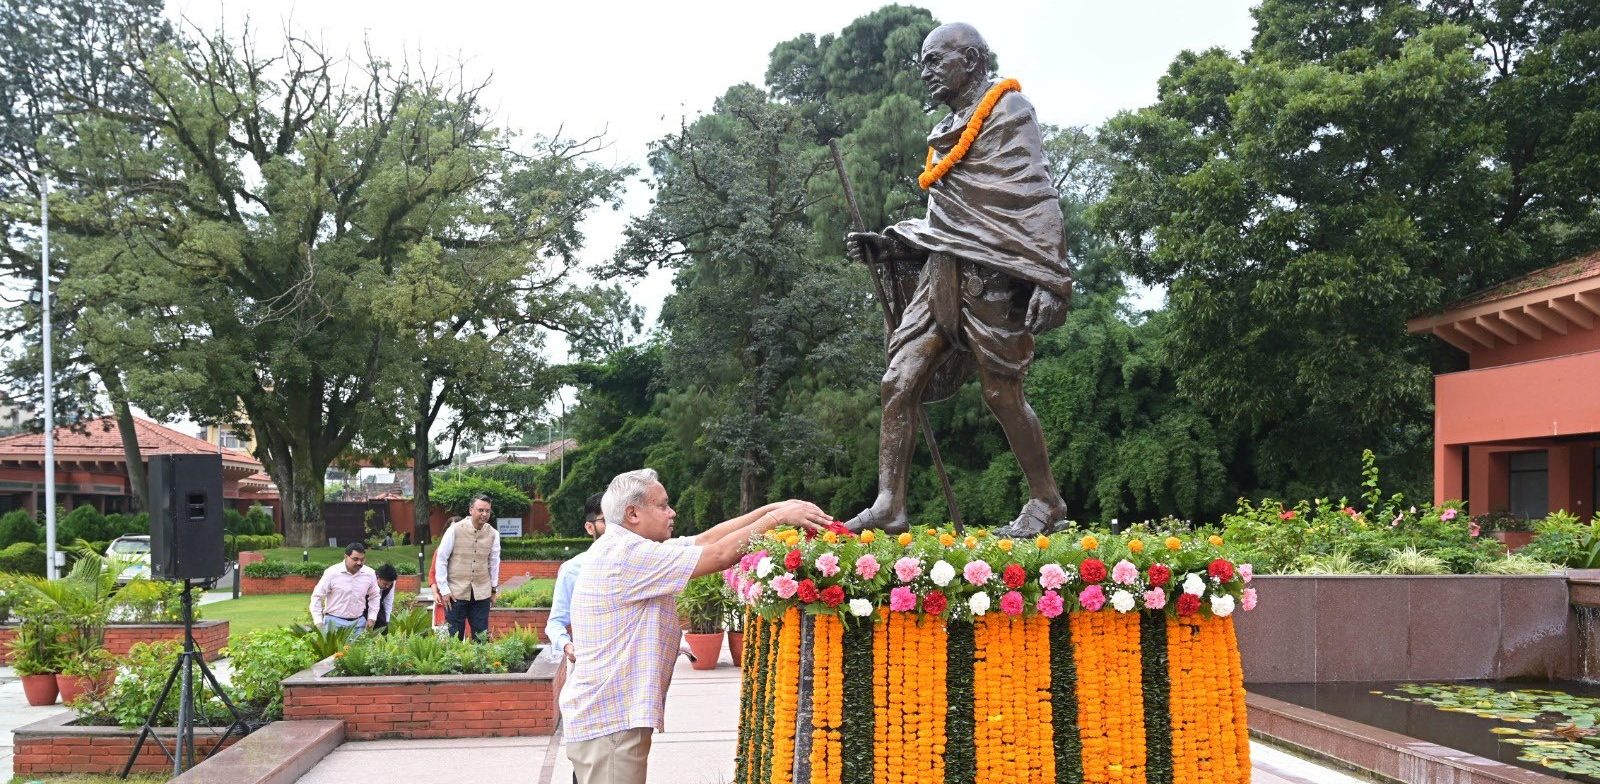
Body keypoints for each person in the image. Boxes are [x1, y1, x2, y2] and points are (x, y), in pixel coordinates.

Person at [843, 22, 1074, 538]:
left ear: (969, 61)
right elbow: (949, 222)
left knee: (1001, 395)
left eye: (933, 60)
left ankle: (1047, 500)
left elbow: (1035, 199)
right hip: (940, 273)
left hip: (991, 277)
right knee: (898, 382)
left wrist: (1049, 279)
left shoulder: (1009, 112)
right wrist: (890, 246)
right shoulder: (946, 132)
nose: (924, 72)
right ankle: (889, 504)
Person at [559, 468, 830, 784]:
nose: (672, 513)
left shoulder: (629, 546)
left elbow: (706, 539)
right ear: (632, 513)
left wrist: (772, 509)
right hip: (609, 724)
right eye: (662, 505)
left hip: (607, 720)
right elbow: (720, 554)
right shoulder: (626, 554)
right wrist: (778, 519)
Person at [546, 492, 606, 664]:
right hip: (590, 665)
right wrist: (566, 645)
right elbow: (556, 622)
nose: (614, 529)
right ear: (589, 527)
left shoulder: (636, 564)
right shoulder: (573, 570)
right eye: (605, 521)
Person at [433, 496, 501, 641]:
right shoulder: (454, 530)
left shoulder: (494, 534)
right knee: (455, 637)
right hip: (455, 592)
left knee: (481, 636)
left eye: (487, 511)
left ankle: (479, 663)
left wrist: (494, 589)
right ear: (471, 510)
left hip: (482, 592)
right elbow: (441, 559)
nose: (484, 514)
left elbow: (494, 563)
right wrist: (444, 590)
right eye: (480, 510)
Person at [309, 543, 380, 635]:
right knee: (335, 650)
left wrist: (372, 618)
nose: (359, 563)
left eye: (362, 560)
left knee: (358, 650)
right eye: (355, 559)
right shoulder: (332, 573)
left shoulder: (369, 573)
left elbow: (375, 596)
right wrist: (318, 622)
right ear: (346, 556)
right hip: (333, 624)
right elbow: (317, 596)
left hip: (358, 624)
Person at [370, 563, 398, 632]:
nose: (387, 586)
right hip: (365, 605)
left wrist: (387, 620)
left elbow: (388, 601)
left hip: (379, 605)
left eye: (389, 584)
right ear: (377, 577)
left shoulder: (391, 583)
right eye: (385, 584)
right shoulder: (369, 580)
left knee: (383, 627)